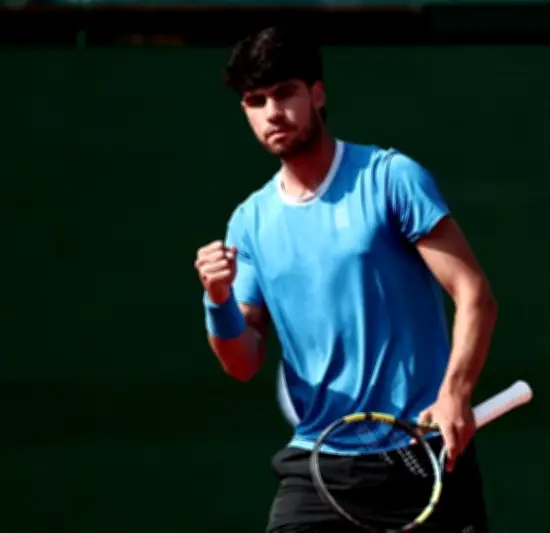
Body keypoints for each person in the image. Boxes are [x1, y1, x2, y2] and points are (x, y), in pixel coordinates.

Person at [193, 26, 498, 533]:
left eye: (285, 93)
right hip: (320, 464)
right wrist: (218, 300)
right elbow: (242, 362)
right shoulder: (248, 222)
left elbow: (475, 294)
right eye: (256, 100)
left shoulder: (391, 178)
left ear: (317, 94)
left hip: (423, 455)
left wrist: (455, 393)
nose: (272, 112)